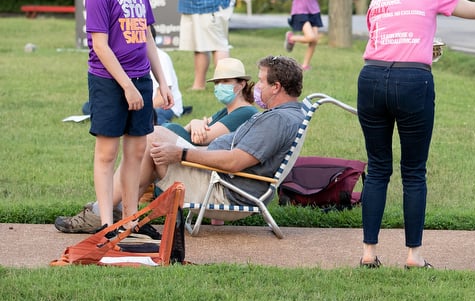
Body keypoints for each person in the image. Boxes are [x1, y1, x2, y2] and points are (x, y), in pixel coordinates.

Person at [357, 0, 475, 269]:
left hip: (370, 79)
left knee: (377, 168)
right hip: (413, 81)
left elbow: (378, 38)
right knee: (413, 172)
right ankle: (414, 255)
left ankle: (368, 252)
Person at [55, 56, 303, 234]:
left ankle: (104, 212)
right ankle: (114, 210)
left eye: (261, 82)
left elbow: (235, 161)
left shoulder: (278, 120)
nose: (256, 87)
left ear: (276, 87)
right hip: (221, 179)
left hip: (224, 190)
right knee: (155, 134)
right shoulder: (282, 114)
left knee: (151, 143)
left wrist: (181, 154)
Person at [84, 0, 173, 233]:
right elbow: (100, 45)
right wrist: (126, 87)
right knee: (108, 154)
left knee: (136, 152)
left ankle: (131, 219)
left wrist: (161, 80)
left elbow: (146, 35)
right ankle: (107, 224)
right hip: (109, 82)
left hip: (140, 79)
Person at [163, 57, 258, 146]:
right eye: (217, 82)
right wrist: (194, 123)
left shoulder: (245, 112)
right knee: (164, 130)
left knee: (167, 130)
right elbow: (187, 130)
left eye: (225, 81)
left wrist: (193, 123)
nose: (220, 86)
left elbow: (199, 138)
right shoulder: (226, 111)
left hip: (206, 159)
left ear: (241, 85)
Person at [149, 25, 185, 125]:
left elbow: (162, 99)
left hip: (164, 106)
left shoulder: (161, 58)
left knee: (152, 118)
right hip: (146, 105)